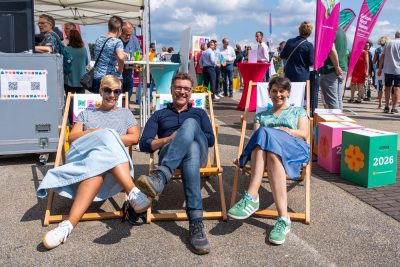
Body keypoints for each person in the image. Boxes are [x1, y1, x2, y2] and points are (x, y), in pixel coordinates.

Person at [37, 75, 149, 250]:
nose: (112, 95)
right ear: (100, 91)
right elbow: (72, 137)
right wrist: (97, 133)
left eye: (117, 92)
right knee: (105, 138)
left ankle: (67, 226)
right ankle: (134, 192)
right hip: (84, 158)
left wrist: (108, 138)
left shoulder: (125, 113)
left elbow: (135, 138)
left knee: (100, 162)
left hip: (106, 167)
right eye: (108, 90)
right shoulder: (86, 113)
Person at [138, 73, 215, 255]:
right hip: (171, 152)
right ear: (171, 90)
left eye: (186, 89)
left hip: (199, 151)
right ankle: (196, 223)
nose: (182, 92)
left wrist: (186, 132)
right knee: (192, 149)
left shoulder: (199, 113)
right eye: (178, 88)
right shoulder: (159, 114)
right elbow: (144, 143)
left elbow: (210, 140)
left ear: (191, 92)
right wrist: (168, 139)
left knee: (190, 125)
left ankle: (161, 176)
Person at [228, 77, 310, 245]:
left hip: (293, 148)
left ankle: (251, 197)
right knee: (267, 144)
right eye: (274, 91)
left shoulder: (298, 111)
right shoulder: (261, 116)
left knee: (265, 133)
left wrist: (285, 130)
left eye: (281, 91)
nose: (278, 94)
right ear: (269, 93)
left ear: (288, 93)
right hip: (270, 154)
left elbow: (304, 134)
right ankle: (283, 219)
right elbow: (257, 140)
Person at [93, 16, 125, 93]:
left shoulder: (99, 39)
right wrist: (120, 69)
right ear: (119, 29)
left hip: (97, 76)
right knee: (112, 102)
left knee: (99, 103)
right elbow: (121, 57)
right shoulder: (117, 41)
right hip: (111, 79)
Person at [319, 27, 348, 110]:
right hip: (340, 68)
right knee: (338, 100)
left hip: (331, 69)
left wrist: (336, 66)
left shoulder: (328, 29)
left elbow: (332, 49)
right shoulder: (341, 31)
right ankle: (339, 120)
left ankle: (336, 121)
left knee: (332, 101)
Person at [64, 29, 89, 124]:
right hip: (81, 80)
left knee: (70, 102)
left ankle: (71, 122)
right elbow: (86, 63)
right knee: (81, 102)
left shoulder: (67, 49)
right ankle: (80, 121)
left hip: (69, 80)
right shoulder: (83, 50)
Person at [378, 31, 400, 114]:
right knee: (397, 88)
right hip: (398, 70)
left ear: (395, 36)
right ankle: (394, 108)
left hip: (388, 69)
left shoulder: (388, 43)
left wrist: (380, 68)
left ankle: (386, 106)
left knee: (387, 87)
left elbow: (382, 56)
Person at [120, 22, 142, 100]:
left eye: (130, 34)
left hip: (129, 76)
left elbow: (140, 53)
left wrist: (137, 58)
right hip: (117, 77)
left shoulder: (134, 39)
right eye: (126, 34)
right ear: (121, 31)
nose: (128, 36)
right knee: (118, 101)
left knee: (127, 100)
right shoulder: (116, 40)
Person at [373, 36, 389, 109]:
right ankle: (387, 103)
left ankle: (380, 103)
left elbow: (374, 61)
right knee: (387, 87)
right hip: (388, 69)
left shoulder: (378, 50)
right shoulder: (389, 49)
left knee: (379, 87)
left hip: (379, 69)